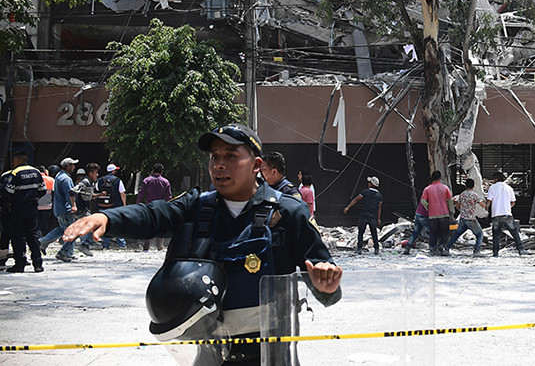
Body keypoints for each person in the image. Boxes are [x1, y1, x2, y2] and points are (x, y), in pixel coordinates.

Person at [64, 123, 342, 363]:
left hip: (269, 357)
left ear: (257, 165)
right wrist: (107, 218)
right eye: (214, 157)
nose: (219, 164)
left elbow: (320, 266)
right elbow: (154, 214)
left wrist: (326, 285)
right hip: (207, 356)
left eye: (231, 156)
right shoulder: (197, 207)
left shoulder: (288, 212)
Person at [1, 151, 46, 272]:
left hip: (18, 209)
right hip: (32, 208)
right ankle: (38, 264)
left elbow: (8, 193)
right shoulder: (36, 172)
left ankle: (20, 264)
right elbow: (42, 190)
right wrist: (32, 198)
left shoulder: (14, 173)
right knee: (33, 236)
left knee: (18, 237)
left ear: (16, 160)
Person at [39, 157, 79, 262]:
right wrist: (73, 206)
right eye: (72, 165)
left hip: (59, 208)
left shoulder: (59, 176)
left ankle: (43, 242)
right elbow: (70, 194)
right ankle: (63, 253)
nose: (74, 167)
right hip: (65, 209)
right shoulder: (66, 179)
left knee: (62, 229)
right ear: (68, 166)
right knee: (73, 232)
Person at [486, 171, 525, 257]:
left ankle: (495, 252)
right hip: (507, 214)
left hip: (496, 214)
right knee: (514, 233)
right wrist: (507, 208)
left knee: (496, 234)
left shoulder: (492, 188)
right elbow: (513, 202)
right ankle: (521, 249)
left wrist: (486, 209)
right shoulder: (509, 188)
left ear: (496, 179)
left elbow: (489, 201)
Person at [136, 163, 172, 251]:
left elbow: (141, 194)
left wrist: (138, 203)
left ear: (153, 170)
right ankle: (160, 246)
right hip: (161, 206)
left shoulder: (147, 180)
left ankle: (146, 246)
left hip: (149, 206)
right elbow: (169, 197)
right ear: (162, 171)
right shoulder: (165, 182)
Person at [444, 178, 485, 255]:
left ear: (465, 185)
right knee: (480, 234)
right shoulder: (474, 195)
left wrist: (463, 210)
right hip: (471, 219)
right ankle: (476, 251)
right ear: (473, 186)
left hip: (463, 218)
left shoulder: (462, 195)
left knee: (456, 234)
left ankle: (446, 249)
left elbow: (458, 206)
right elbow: (482, 205)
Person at [343, 177, 383, 255]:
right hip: (373, 216)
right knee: (374, 233)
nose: (368, 183)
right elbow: (379, 207)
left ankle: (359, 248)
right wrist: (378, 219)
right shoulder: (379, 195)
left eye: (369, 182)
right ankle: (376, 248)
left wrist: (348, 207)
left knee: (361, 232)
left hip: (365, 215)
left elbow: (356, 199)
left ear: (371, 184)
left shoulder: (365, 192)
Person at [70, 163, 102, 256]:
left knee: (74, 230)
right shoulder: (85, 182)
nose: (97, 175)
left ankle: (47, 243)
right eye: (96, 172)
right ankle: (85, 244)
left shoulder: (89, 182)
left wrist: (99, 195)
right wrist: (74, 205)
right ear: (91, 173)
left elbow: (89, 196)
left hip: (85, 209)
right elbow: (72, 191)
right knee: (92, 224)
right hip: (81, 209)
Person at [420, 170, 451, 256]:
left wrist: (428, 207)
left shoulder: (427, 189)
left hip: (432, 215)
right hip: (444, 214)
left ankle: (432, 249)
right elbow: (449, 200)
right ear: (440, 178)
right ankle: (441, 245)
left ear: (432, 178)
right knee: (444, 232)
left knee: (433, 233)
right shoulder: (445, 188)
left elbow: (423, 201)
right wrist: (452, 211)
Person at [97, 164, 127, 248]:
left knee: (106, 224)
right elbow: (122, 194)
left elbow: (97, 191)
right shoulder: (118, 180)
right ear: (113, 171)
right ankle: (121, 244)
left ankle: (105, 244)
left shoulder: (100, 180)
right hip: (116, 206)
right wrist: (124, 205)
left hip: (103, 206)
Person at [36, 166, 56, 237]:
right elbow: (54, 194)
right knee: (46, 226)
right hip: (47, 207)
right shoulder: (51, 180)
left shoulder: (35, 180)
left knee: (37, 226)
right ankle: (45, 239)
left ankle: (38, 239)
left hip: (36, 207)